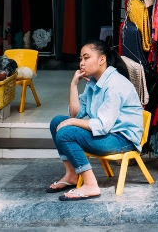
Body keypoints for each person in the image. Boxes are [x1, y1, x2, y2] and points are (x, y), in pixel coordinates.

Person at [46, 40, 144, 201]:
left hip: (122, 139)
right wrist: (73, 85)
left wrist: (71, 123)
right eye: (80, 59)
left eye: (86, 58)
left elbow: (102, 126)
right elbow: (75, 114)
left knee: (66, 132)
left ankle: (90, 184)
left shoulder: (115, 84)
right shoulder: (94, 82)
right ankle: (71, 175)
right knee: (57, 122)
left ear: (102, 59)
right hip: (108, 134)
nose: (82, 63)